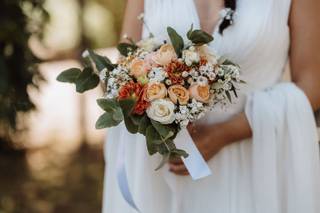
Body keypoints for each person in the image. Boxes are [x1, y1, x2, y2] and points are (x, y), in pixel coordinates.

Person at [103, 0, 320, 212]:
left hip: (253, 161)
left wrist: (222, 134)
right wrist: (156, 111)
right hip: (163, 170)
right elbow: (121, 73)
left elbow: (312, 87)